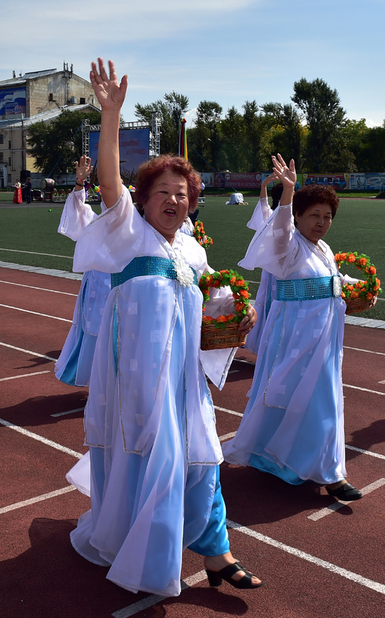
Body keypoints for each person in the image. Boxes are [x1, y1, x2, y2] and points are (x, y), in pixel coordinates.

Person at [67, 58, 262, 597]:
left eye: (183, 192)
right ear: (144, 198)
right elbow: (109, 181)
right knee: (158, 460)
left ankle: (217, 553)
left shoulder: (192, 249)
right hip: (136, 384)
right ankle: (146, 555)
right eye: (164, 191)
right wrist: (111, 114)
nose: (174, 199)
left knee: (202, 459)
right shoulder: (128, 233)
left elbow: (214, 300)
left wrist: (236, 313)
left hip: (184, 381)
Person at [224, 164, 371, 502]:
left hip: (325, 340)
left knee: (317, 401)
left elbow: (332, 282)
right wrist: (288, 194)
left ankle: (310, 465)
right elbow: (279, 230)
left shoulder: (324, 249)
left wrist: (359, 287)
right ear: (298, 217)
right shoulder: (288, 248)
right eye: (314, 215)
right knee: (307, 401)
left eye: (328, 216)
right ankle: (327, 473)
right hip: (295, 339)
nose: (322, 222)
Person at [54, 156, 111, 387]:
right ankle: (97, 384)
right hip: (97, 292)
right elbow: (78, 207)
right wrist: (80, 182)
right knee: (95, 339)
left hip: (123, 294)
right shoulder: (95, 223)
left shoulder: (136, 228)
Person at [241, 173, 280, 355]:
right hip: (272, 271)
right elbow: (263, 204)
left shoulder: (296, 217)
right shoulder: (271, 216)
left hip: (286, 270)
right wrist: (264, 185)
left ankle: (278, 346)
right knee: (269, 305)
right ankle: (266, 345)